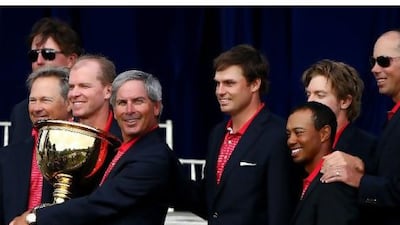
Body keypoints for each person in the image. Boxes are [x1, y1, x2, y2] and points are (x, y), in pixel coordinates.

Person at [9, 70, 180, 225]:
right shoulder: (125, 148)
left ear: (156, 107)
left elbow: (100, 203)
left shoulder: (153, 156)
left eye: (138, 101)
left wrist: (35, 217)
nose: (129, 110)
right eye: (121, 103)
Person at [181, 44, 300, 225]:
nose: (220, 91)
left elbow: (281, 210)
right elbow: (212, 202)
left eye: (229, 83)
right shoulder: (217, 134)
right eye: (217, 83)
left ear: (255, 84)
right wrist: (168, 175)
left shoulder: (277, 135)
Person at [320, 29, 400, 225]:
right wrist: (363, 167)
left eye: (383, 61)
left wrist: (359, 179)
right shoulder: (392, 118)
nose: (374, 69)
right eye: (373, 62)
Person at [0, 66, 72, 225]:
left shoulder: (85, 154)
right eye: (33, 100)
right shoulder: (7, 157)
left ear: (69, 103)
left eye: (45, 100)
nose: (37, 108)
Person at [9, 17, 82, 145]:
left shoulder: (88, 105)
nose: (39, 61)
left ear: (71, 60)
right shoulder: (21, 112)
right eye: (34, 55)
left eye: (48, 54)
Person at [287, 101, 360, 225]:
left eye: (299, 132)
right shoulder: (304, 180)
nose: (290, 141)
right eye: (288, 134)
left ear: (324, 134)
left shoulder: (333, 186)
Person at [302, 59, 377, 173]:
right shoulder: (303, 143)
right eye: (308, 94)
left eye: (320, 95)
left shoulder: (368, 148)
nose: (310, 101)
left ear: (345, 101)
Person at [67, 54, 122, 194]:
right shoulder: (61, 135)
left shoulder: (125, 138)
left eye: (84, 86)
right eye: (71, 87)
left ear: (108, 91)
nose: (74, 93)